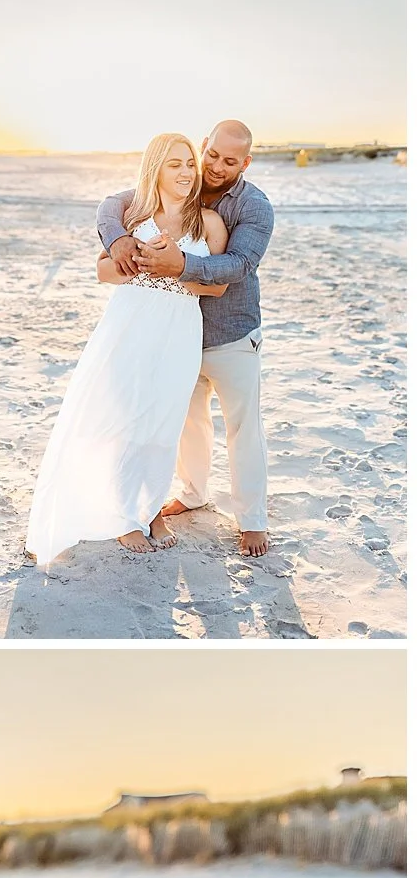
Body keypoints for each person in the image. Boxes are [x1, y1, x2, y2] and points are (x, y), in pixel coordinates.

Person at [25, 133, 228, 568]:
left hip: (179, 328)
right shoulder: (133, 217)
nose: (186, 172)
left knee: (164, 420)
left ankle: (152, 508)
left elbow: (218, 284)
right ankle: (123, 516)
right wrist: (136, 261)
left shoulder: (207, 222)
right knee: (126, 418)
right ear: (155, 168)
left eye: (190, 164)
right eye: (174, 164)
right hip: (131, 325)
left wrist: (173, 268)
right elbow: (102, 271)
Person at [99, 120, 275, 556]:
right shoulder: (185, 185)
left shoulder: (254, 206)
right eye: (211, 155)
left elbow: (236, 267)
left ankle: (251, 520)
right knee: (185, 424)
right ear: (204, 147)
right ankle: (192, 493)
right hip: (176, 339)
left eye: (230, 161)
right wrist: (118, 238)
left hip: (232, 332)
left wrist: (177, 268)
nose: (216, 167)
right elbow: (113, 203)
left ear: (246, 163)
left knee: (243, 428)